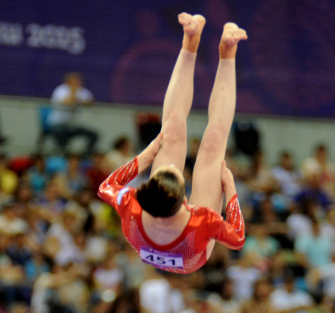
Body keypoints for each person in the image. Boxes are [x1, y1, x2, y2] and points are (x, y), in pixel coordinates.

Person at [98, 13, 246, 275]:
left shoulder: (132, 204)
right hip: (191, 253)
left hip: (163, 231)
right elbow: (236, 237)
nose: (173, 166)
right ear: (185, 201)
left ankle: (190, 42)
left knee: (172, 132)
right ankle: (227, 52)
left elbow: (105, 187)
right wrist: (230, 189)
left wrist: (145, 156)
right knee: (213, 144)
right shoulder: (202, 221)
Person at [48, 72, 98, 155]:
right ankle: (63, 155)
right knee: (61, 134)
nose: (76, 83)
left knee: (94, 135)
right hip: (56, 123)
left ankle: (85, 155)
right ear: (68, 81)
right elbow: (67, 102)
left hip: (71, 125)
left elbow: (90, 102)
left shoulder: (81, 91)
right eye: (74, 81)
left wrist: (80, 99)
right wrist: (74, 94)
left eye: (77, 81)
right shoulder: (61, 90)